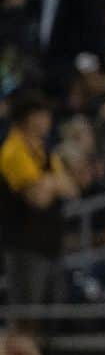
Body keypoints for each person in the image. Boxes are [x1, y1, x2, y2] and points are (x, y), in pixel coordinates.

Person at [0, 90, 78, 303]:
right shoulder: (13, 151)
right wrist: (54, 182)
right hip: (23, 247)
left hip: (49, 244)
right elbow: (38, 199)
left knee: (52, 314)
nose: (47, 121)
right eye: (42, 115)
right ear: (29, 118)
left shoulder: (43, 152)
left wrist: (47, 182)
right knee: (27, 315)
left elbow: (71, 188)